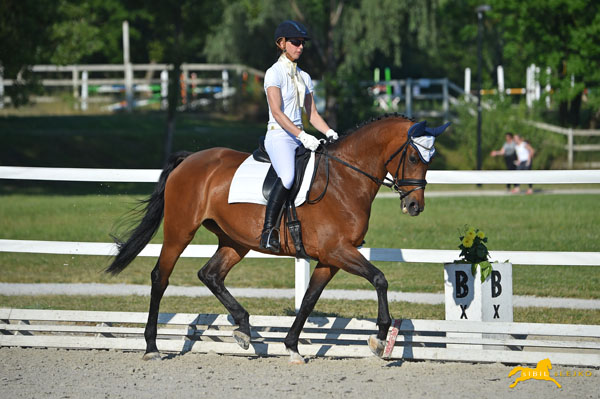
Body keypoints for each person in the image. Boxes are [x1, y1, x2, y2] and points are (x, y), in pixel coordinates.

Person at [259, 20, 338, 252]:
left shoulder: (304, 76)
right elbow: (277, 112)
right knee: (288, 176)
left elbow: (312, 113)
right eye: (295, 42)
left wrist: (329, 132)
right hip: (278, 136)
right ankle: (268, 231)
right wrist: (302, 136)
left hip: (299, 135)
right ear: (281, 43)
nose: (300, 47)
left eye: (302, 43)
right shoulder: (273, 73)